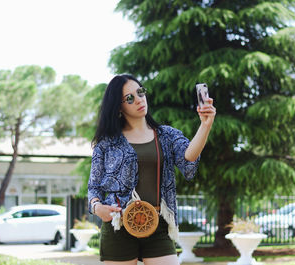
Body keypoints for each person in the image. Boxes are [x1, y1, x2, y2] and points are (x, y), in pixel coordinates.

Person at [88, 74, 216, 265]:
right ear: (119, 107)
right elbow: (93, 188)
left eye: (140, 92)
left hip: (157, 224)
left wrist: (205, 125)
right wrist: (97, 208)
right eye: (129, 98)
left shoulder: (166, 135)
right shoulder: (107, 143)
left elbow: (189, 156)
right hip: (118, 224)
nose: (139, 100)